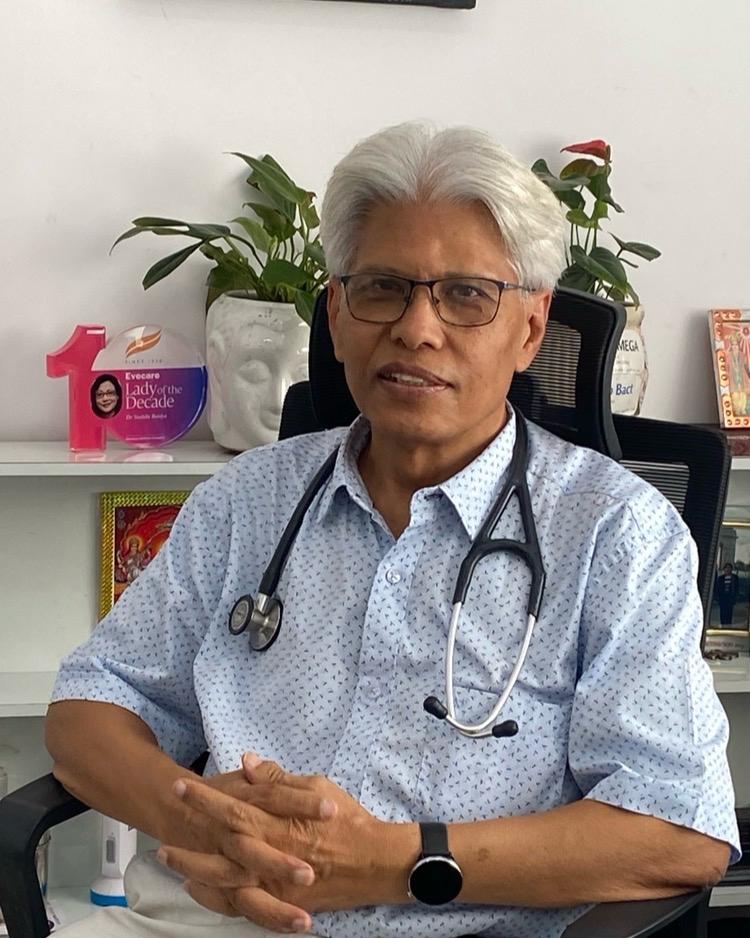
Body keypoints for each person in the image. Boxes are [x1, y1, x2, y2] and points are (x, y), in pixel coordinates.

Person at [46, 123, 739, 938]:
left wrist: (392, 862)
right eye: (382, 288)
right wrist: (204, 820)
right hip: (207, 918)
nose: (417, 329)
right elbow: (89, 709)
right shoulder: (246, 500)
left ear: (530, 330)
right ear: (338, 315)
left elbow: (679, 827)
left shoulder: (615, 532)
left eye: (467, 295)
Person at [715, 562, 740, 626]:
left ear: (731, 569)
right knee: (722, 613)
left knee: (729, 613)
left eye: (729, 568)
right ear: (724, 569)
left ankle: (728, 625)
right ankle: (723, 624)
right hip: (722, 598)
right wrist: (717, 598)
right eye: (726, 568)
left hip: (730, 598)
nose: (728, 569)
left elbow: (736, 588)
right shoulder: (720, 578)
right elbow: (717, 588)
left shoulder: (735, 577)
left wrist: (735, 598)